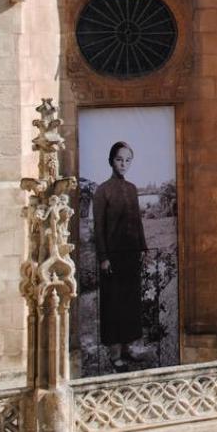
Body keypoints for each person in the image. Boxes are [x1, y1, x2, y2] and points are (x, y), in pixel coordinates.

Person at [92, 141, 148, 371]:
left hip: (131, 256)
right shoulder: (102, 190)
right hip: (112, 259)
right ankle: (115, 355)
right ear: (110, 160)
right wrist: (103, 257)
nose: (123, 164)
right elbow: (99, 227)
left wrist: (143, 249)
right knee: (114, 305)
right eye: (119, 159)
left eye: (127, 160)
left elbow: (137, 222)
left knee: (129, 303)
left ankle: (128, 350)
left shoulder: (133, 189)